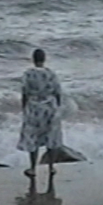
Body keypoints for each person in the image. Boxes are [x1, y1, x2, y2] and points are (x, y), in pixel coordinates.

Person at [17, 48, 63, 177]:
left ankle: (33, 168)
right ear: (44, 59)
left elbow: (25, 92)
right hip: (50, 107)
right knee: (51, 138)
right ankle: (51, 167)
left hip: (34, 107)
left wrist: (24, 108)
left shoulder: (28, 74)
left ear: (33, 59)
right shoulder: (51, 73)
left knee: (33, 139)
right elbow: (58, 92)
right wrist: (57, 107)